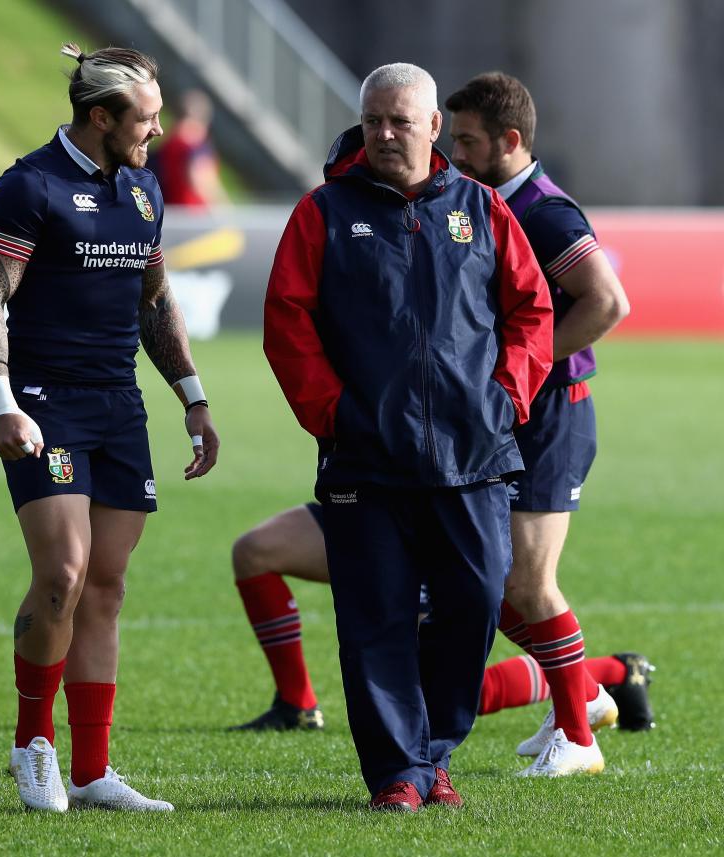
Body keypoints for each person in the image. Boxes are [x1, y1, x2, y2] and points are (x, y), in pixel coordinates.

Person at [264, 62, 553, 812]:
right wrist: (333, 414)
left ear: (434, 129)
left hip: (476, 457)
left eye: (401, 121)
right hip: (366, 458)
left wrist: (505, 396)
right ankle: (401, 771)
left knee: (475, 601)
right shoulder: (323, 212)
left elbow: (532, 312)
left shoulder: (483, 208)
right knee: (376, 620)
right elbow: (287, 324)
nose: (387, 134)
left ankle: (433, 752)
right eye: (374, 122)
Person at [0, 43, 219, 814]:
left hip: (119, 404)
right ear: (99, 117)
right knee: (63, 574)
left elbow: (155, 301)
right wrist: (0, 401)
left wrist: (193, 396)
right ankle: (31, 745)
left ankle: (93, 769)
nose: (158, 130)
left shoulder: (143, 188)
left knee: (105, 587)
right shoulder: (27, 185)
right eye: (145, 119)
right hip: (44, 402)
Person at [446, 71, 633, 775]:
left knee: (525, 580)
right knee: (488, 580)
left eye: (467, 141)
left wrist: (524, 362)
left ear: (510, 141)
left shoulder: (547, 212)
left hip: (555, 413)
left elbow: (606, 302)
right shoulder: (490, 200)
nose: (455, 153)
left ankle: (580, 739)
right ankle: (578, 698)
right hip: (514, 412)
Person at [229, 502, 655, 733]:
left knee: (427, 694)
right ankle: (297, 705)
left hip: (447, 505)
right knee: (256, 551)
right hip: (370, 496)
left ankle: (614, 671)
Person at [153, 89, 229, 207]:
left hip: (167, 213)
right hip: (193, 218)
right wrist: (226, 215)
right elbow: (202, 181)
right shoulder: (195, 143)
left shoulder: (169, 141)